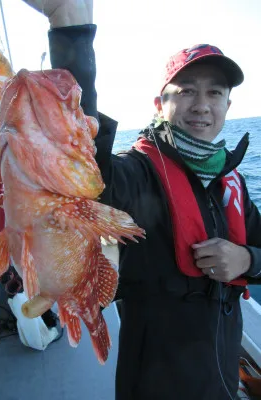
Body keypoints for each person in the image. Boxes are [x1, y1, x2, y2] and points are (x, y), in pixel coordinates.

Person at [24, 1, 261, 399]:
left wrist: (246, 259)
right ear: (159, 105)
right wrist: (71, 26)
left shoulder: (231, 180)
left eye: (214, 93)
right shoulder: (135, 173)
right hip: (155, 380)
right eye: (186, 91)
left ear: (228, 106)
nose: (201, 105)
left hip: (220, 370)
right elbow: (80, 152)